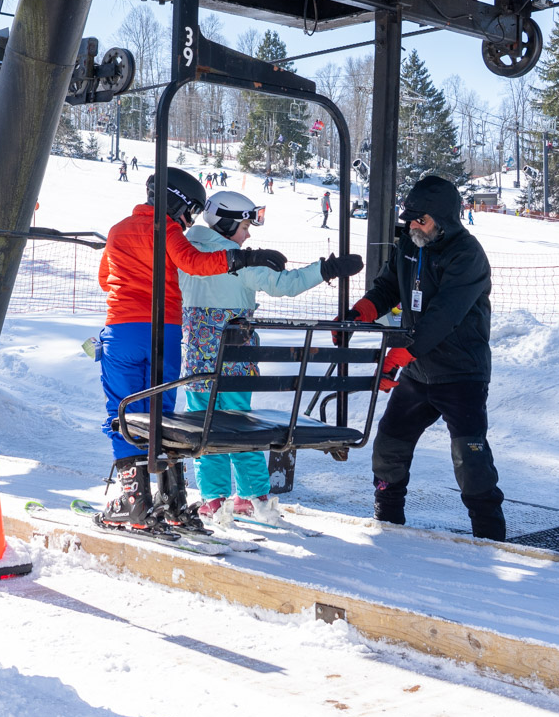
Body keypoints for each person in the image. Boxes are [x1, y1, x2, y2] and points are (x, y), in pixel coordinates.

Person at [96, 168, 289, 532]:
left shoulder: (118, 230)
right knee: (162, 414)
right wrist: (242, 258)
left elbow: (106, 278)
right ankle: (173, 499)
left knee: (122, 409)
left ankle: (134, 500)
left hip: (123, 327)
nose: (188, 222)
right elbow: (194, 264)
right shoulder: (167, 231)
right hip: (165, 331)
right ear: (177, 204)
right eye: (189, 212)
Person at [179, 190, 364, 524]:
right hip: (235, 360)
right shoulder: (237, 260)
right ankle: (253, 495)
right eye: (245, 226)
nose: (249, 234)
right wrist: (326, 269)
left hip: (196, 361)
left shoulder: (185, 252)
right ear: (225, 223)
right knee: (239, 425)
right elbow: (285, 285)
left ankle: (213, 497)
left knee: (205, 427)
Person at [345, 175, 504, 540]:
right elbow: (388, 287)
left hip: (461, 372)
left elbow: (445, 315)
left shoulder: (467, 255)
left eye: (422, 219)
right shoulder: (410, 245)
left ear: (443, 219)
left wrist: (400, 355)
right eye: (410, 218)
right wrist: (360, 313)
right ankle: (388, 521)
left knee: (470, 458)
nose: (413, 225)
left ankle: (490, 535)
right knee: (389, 444)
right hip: (420, 371)